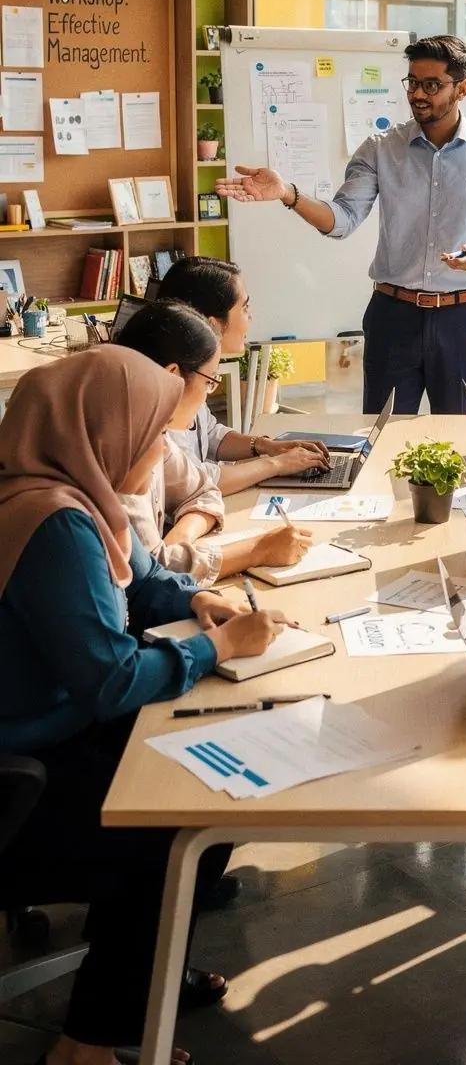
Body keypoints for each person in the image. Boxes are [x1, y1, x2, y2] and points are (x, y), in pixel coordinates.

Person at [0, 346, 286, 1065]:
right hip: (23, 768)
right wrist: (216, 649)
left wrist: (196, 600)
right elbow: (112, 680)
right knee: (188, 819)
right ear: (105, 428)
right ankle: (90, 1040)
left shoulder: (55, 488)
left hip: (44, 736)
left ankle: (139, 972)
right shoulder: (54, 521)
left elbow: (137, 582)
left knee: (203, 769)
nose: (161, 450)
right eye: (153, 432)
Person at [216, 35, 466, 414]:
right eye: (412, 82)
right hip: (394, 317)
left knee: (461, 438)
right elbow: (342, 220)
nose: (417, 93)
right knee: (382, 439)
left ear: (460, 89)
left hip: (463, 319)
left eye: (431, 85)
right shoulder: (381, 148)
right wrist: (288, 193)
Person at [117, 300, 314, 581]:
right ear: (172, 376)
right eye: (209, 381)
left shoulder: (153, 431)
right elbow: (152, 574)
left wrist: (181, 537)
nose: (208, 394)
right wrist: (257, 550)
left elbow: (203, 490)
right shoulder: (123, 451)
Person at [156, 256, 330, 494]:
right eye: (244, 307)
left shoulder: (188, 366)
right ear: (213, 324)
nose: (251, 317)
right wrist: (275, 464)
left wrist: (265, 446)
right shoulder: (172, 383)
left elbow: (208, 433)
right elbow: (192, 481)